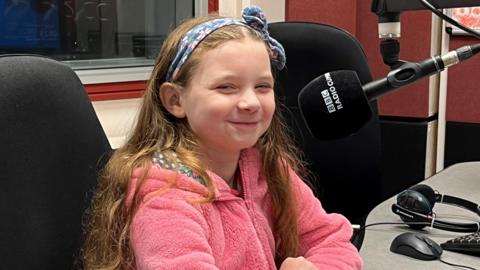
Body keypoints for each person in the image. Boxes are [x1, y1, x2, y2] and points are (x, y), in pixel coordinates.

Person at [82, 5, 362, 270]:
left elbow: (330, 239)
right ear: (175, 100)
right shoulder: (164, 199)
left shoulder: (267, 168)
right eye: (226, 87)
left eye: (263, 86)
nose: (251, 102)